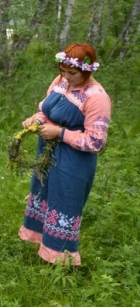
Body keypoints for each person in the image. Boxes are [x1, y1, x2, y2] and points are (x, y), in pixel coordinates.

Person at [18, 43, 111, 265]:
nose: (66, 77)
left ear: (87, 71)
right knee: (45, 196)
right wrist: (37, 120)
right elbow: (46, 109)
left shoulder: (96, 97)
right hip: (48, 156)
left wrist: (60, 133)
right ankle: (44, 250)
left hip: (74, 162)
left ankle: (61, 262)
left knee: (64, 202)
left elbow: (96, 141)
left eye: (72, 73)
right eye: (63, 71)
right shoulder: (60, 83)